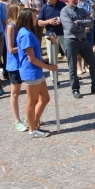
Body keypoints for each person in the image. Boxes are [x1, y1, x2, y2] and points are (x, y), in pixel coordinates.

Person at [16, 8, 57, 138]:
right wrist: (48, 67)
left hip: (37, 70)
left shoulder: (28, 32)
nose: (36, 18)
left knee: (45, 98)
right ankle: (32, 129)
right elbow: (31, 58)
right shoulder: (25, 34)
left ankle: (34, 123)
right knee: (32, 101)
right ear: (28, 18)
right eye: (34, 16)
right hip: (30, 71)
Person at [60, 0, 95, 99]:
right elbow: (71, 27)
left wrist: (80, 22)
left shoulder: (82, 10)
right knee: (72, 67)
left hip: (83, 40)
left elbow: (91, 22)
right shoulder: (64, 12)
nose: (76, 1)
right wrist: (83, 26)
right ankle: (75, 89)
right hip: (71, 41)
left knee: (93, 61)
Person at [5, 4, 28, 131]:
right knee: (15, 93)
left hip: (23, 63)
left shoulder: (20, 27)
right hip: (14, 64)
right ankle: (17, 120)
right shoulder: (10, 27)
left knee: (30, 90)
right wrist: (26, 47)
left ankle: (27, 116)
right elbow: (10, 48)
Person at [76, 0, 95, 74]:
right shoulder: (75, 3)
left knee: (88, 47)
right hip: (79, 28)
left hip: (88, 27)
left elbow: (91, 14)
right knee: (79, 48)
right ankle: (79, 66)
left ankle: (86, 65)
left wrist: (87, 24)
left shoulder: (87, 2)